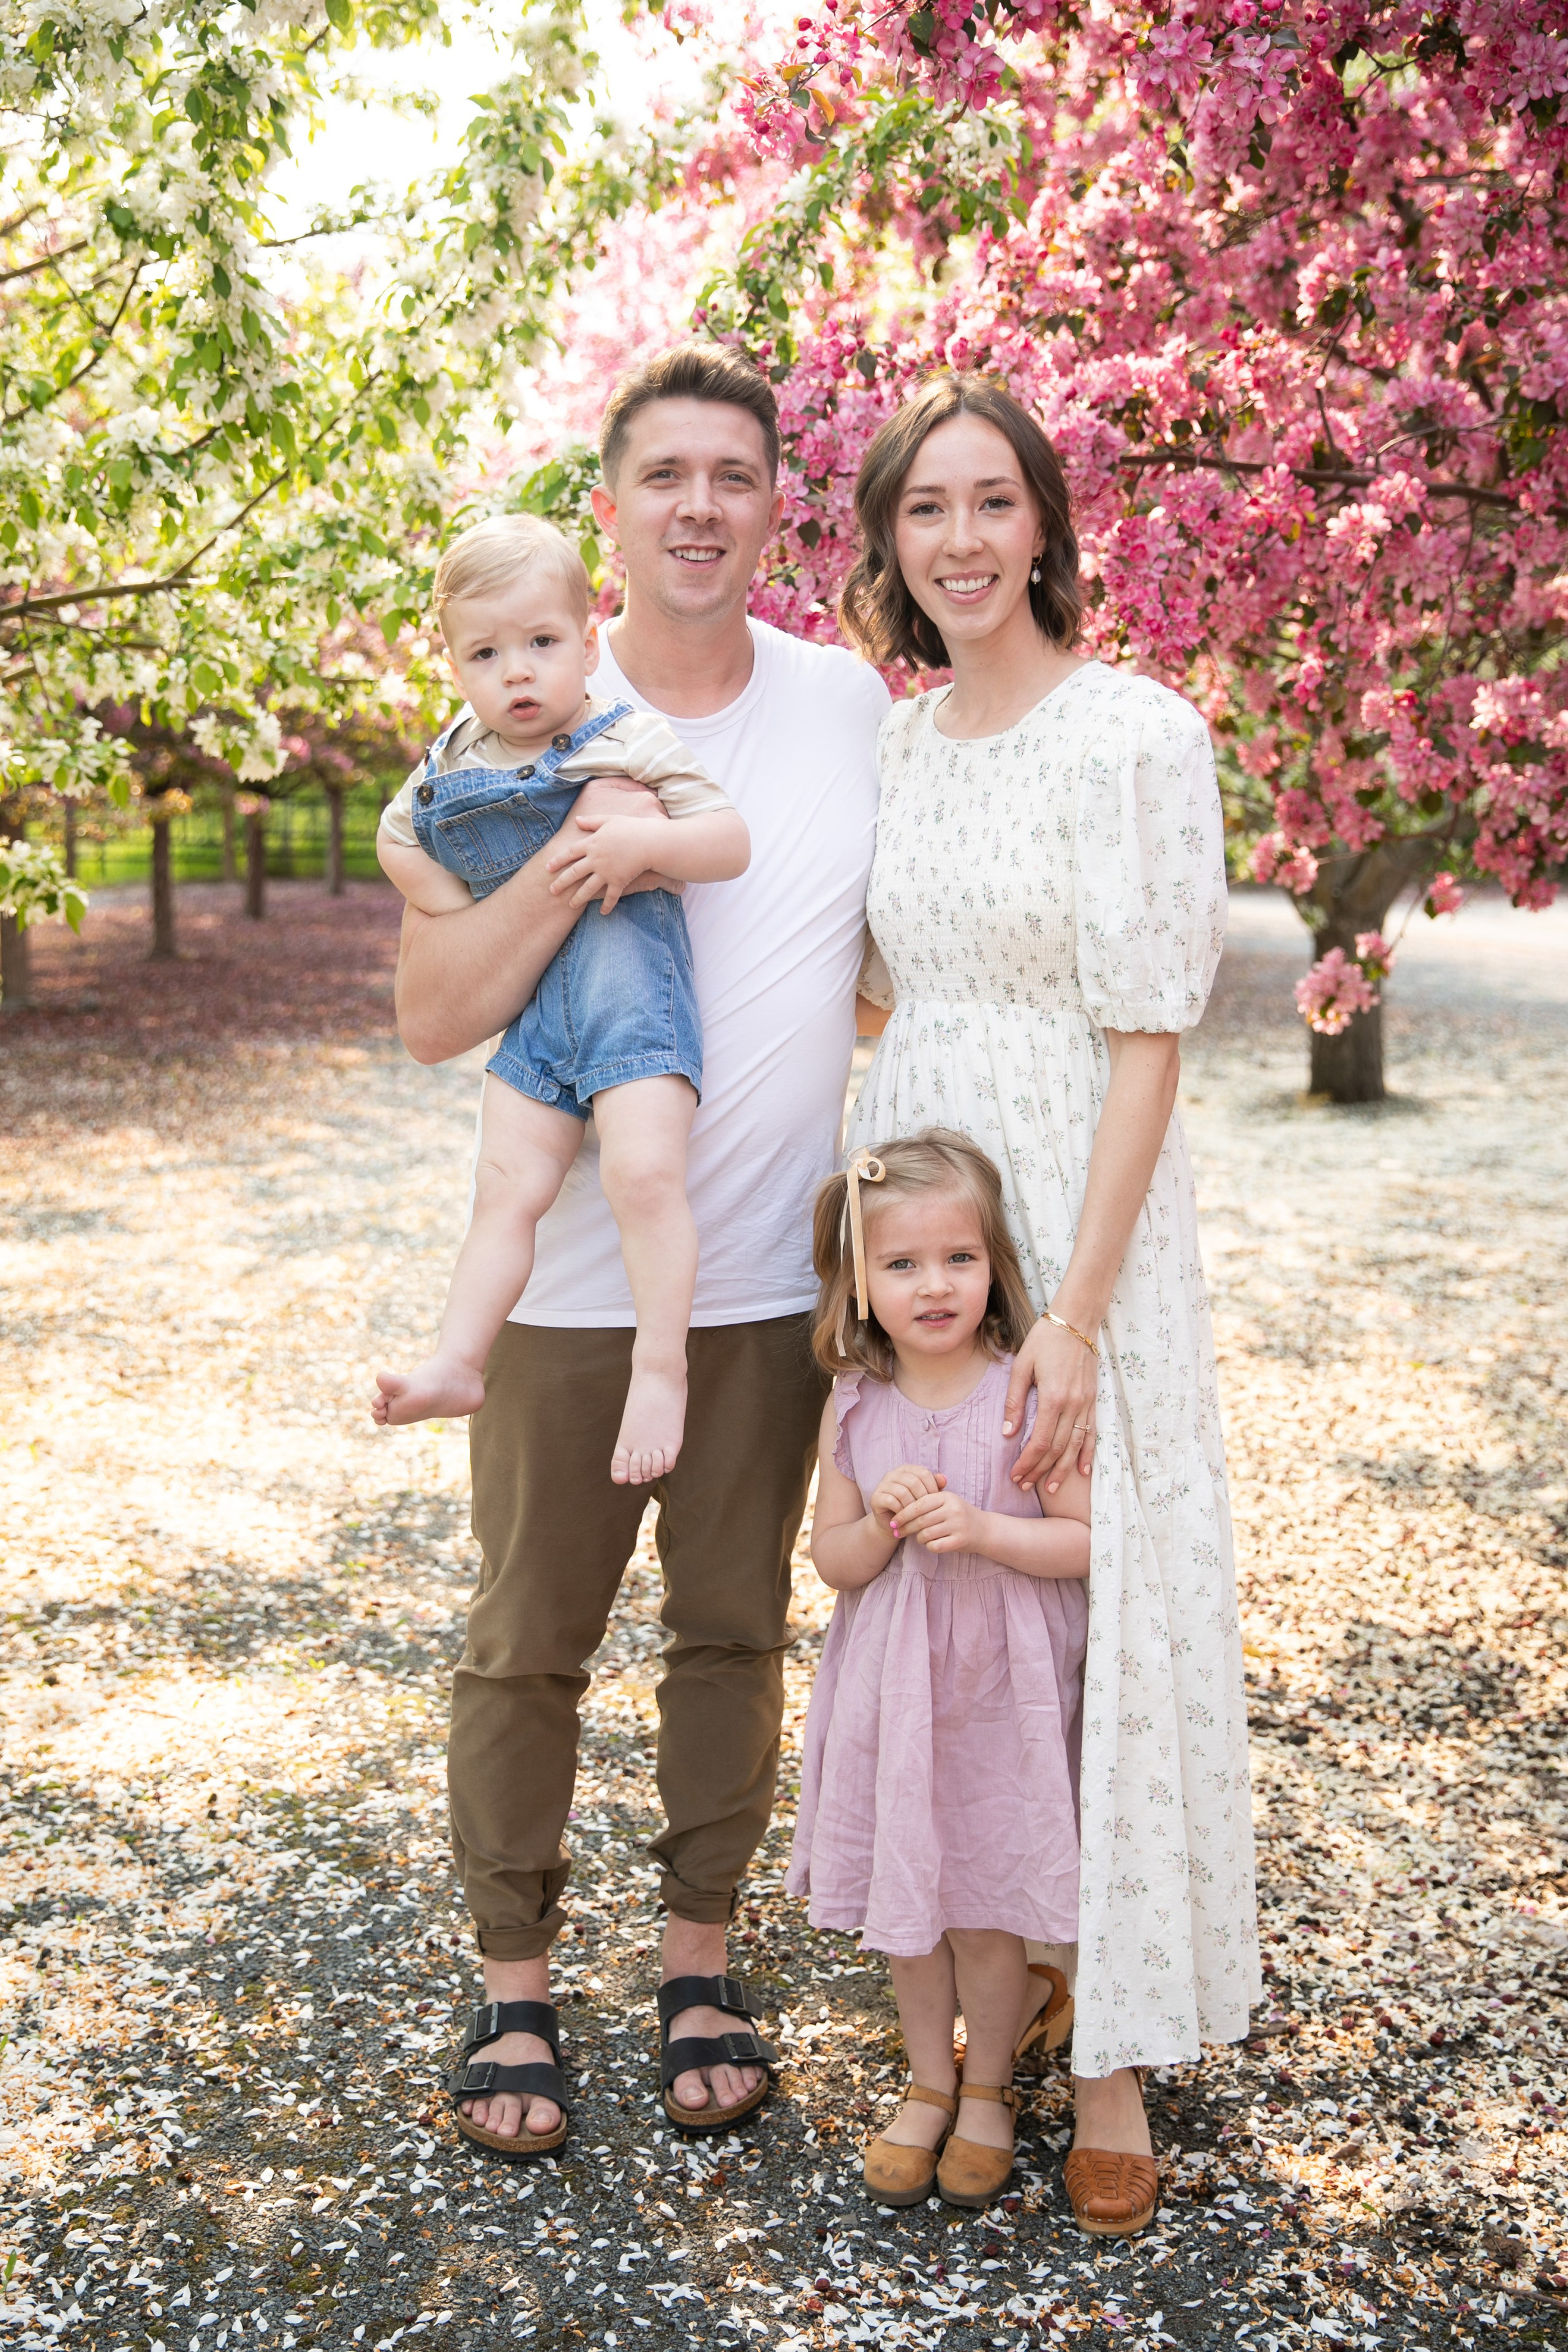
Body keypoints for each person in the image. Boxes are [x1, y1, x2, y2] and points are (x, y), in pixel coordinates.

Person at [391, 342, 891, 2159]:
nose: (700, 505)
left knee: (733, 1635)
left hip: (766, 1282)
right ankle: (514, 1984)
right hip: (563, 1302)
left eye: (735, 476)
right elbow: (438, 1016)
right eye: (664, 474)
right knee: (525, 1644)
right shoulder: (511, 732)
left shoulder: (847, 713)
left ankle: (700, 1959)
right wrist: (579, 859)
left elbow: (914, 944)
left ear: (775, 506)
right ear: (609, 519)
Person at [839, 371, 1259, 2236]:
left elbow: (1151, 1037)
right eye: (925, 510)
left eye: (992, 503)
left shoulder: (1136, 735)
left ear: (1046, 525)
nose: (960, 542)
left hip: (1084, 1223)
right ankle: (978, 2033)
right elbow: (870, 984)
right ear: (890, 545)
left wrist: (1073, 1310)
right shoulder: (902, 746)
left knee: (1111, 1602)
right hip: (934, 1213)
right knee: (961, 1621)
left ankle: (1114, 2063)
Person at [371, 514, 750, 1486]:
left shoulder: (625, 736)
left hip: (634, 1003)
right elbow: (397, 840)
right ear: (454, 668)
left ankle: (660, 1369)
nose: (518, 673)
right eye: (487, 653)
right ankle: (459, 1361)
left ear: (588, 644)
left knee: (643, 1177)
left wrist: (647, 845)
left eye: (542, 644)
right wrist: (458, 908)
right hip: (540, 1022)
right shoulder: (452, 758)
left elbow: (729, 842)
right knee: (503, 1193)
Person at [790, 1130, 1091, 2211]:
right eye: (902, 1265)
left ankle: (992, 2092)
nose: (934, 1285)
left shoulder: (1025, 1390)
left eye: (959, 1259)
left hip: (999, 1694)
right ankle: (927, 2079)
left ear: (994, 1266)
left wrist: (987, 1530)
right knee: (911, 1898)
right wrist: (877, 1520)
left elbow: (1085, 1541)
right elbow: (832, 1561)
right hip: (894, 1692)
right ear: (860, 1283)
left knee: (986, 1902)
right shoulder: (854, 1405)